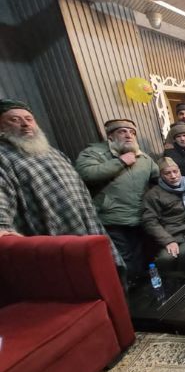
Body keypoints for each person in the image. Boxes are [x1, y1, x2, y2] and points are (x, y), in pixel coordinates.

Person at [0, 99, 124, 269]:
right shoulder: (3, 156)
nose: (25, 124)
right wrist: (2, 227)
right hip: (51, 236)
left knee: (104, 272)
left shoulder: (52, 152)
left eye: (29, 119)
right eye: (14, 120)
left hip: (88, 225)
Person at [75, 118, 159, 282]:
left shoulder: (144, 158)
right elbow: (85, 173)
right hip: (112, 219)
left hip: (139, 216)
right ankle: (130, 289)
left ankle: (145, 287)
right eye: (122, 132)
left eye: (132, 132)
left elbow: (159, 178)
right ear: (111, 136)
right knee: (123, 259)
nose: (128, 135)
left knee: (143, 255)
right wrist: (120, 162)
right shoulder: (95, 153)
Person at [142, 157, 185, 272]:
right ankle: (170, 282)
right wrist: (168, 241)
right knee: (166, 259)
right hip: (170, 234)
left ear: (180, 171)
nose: (173, 176)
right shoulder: (154, 194)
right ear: (161, 175)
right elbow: (150, 221)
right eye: (167, 173)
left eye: (175, 171)